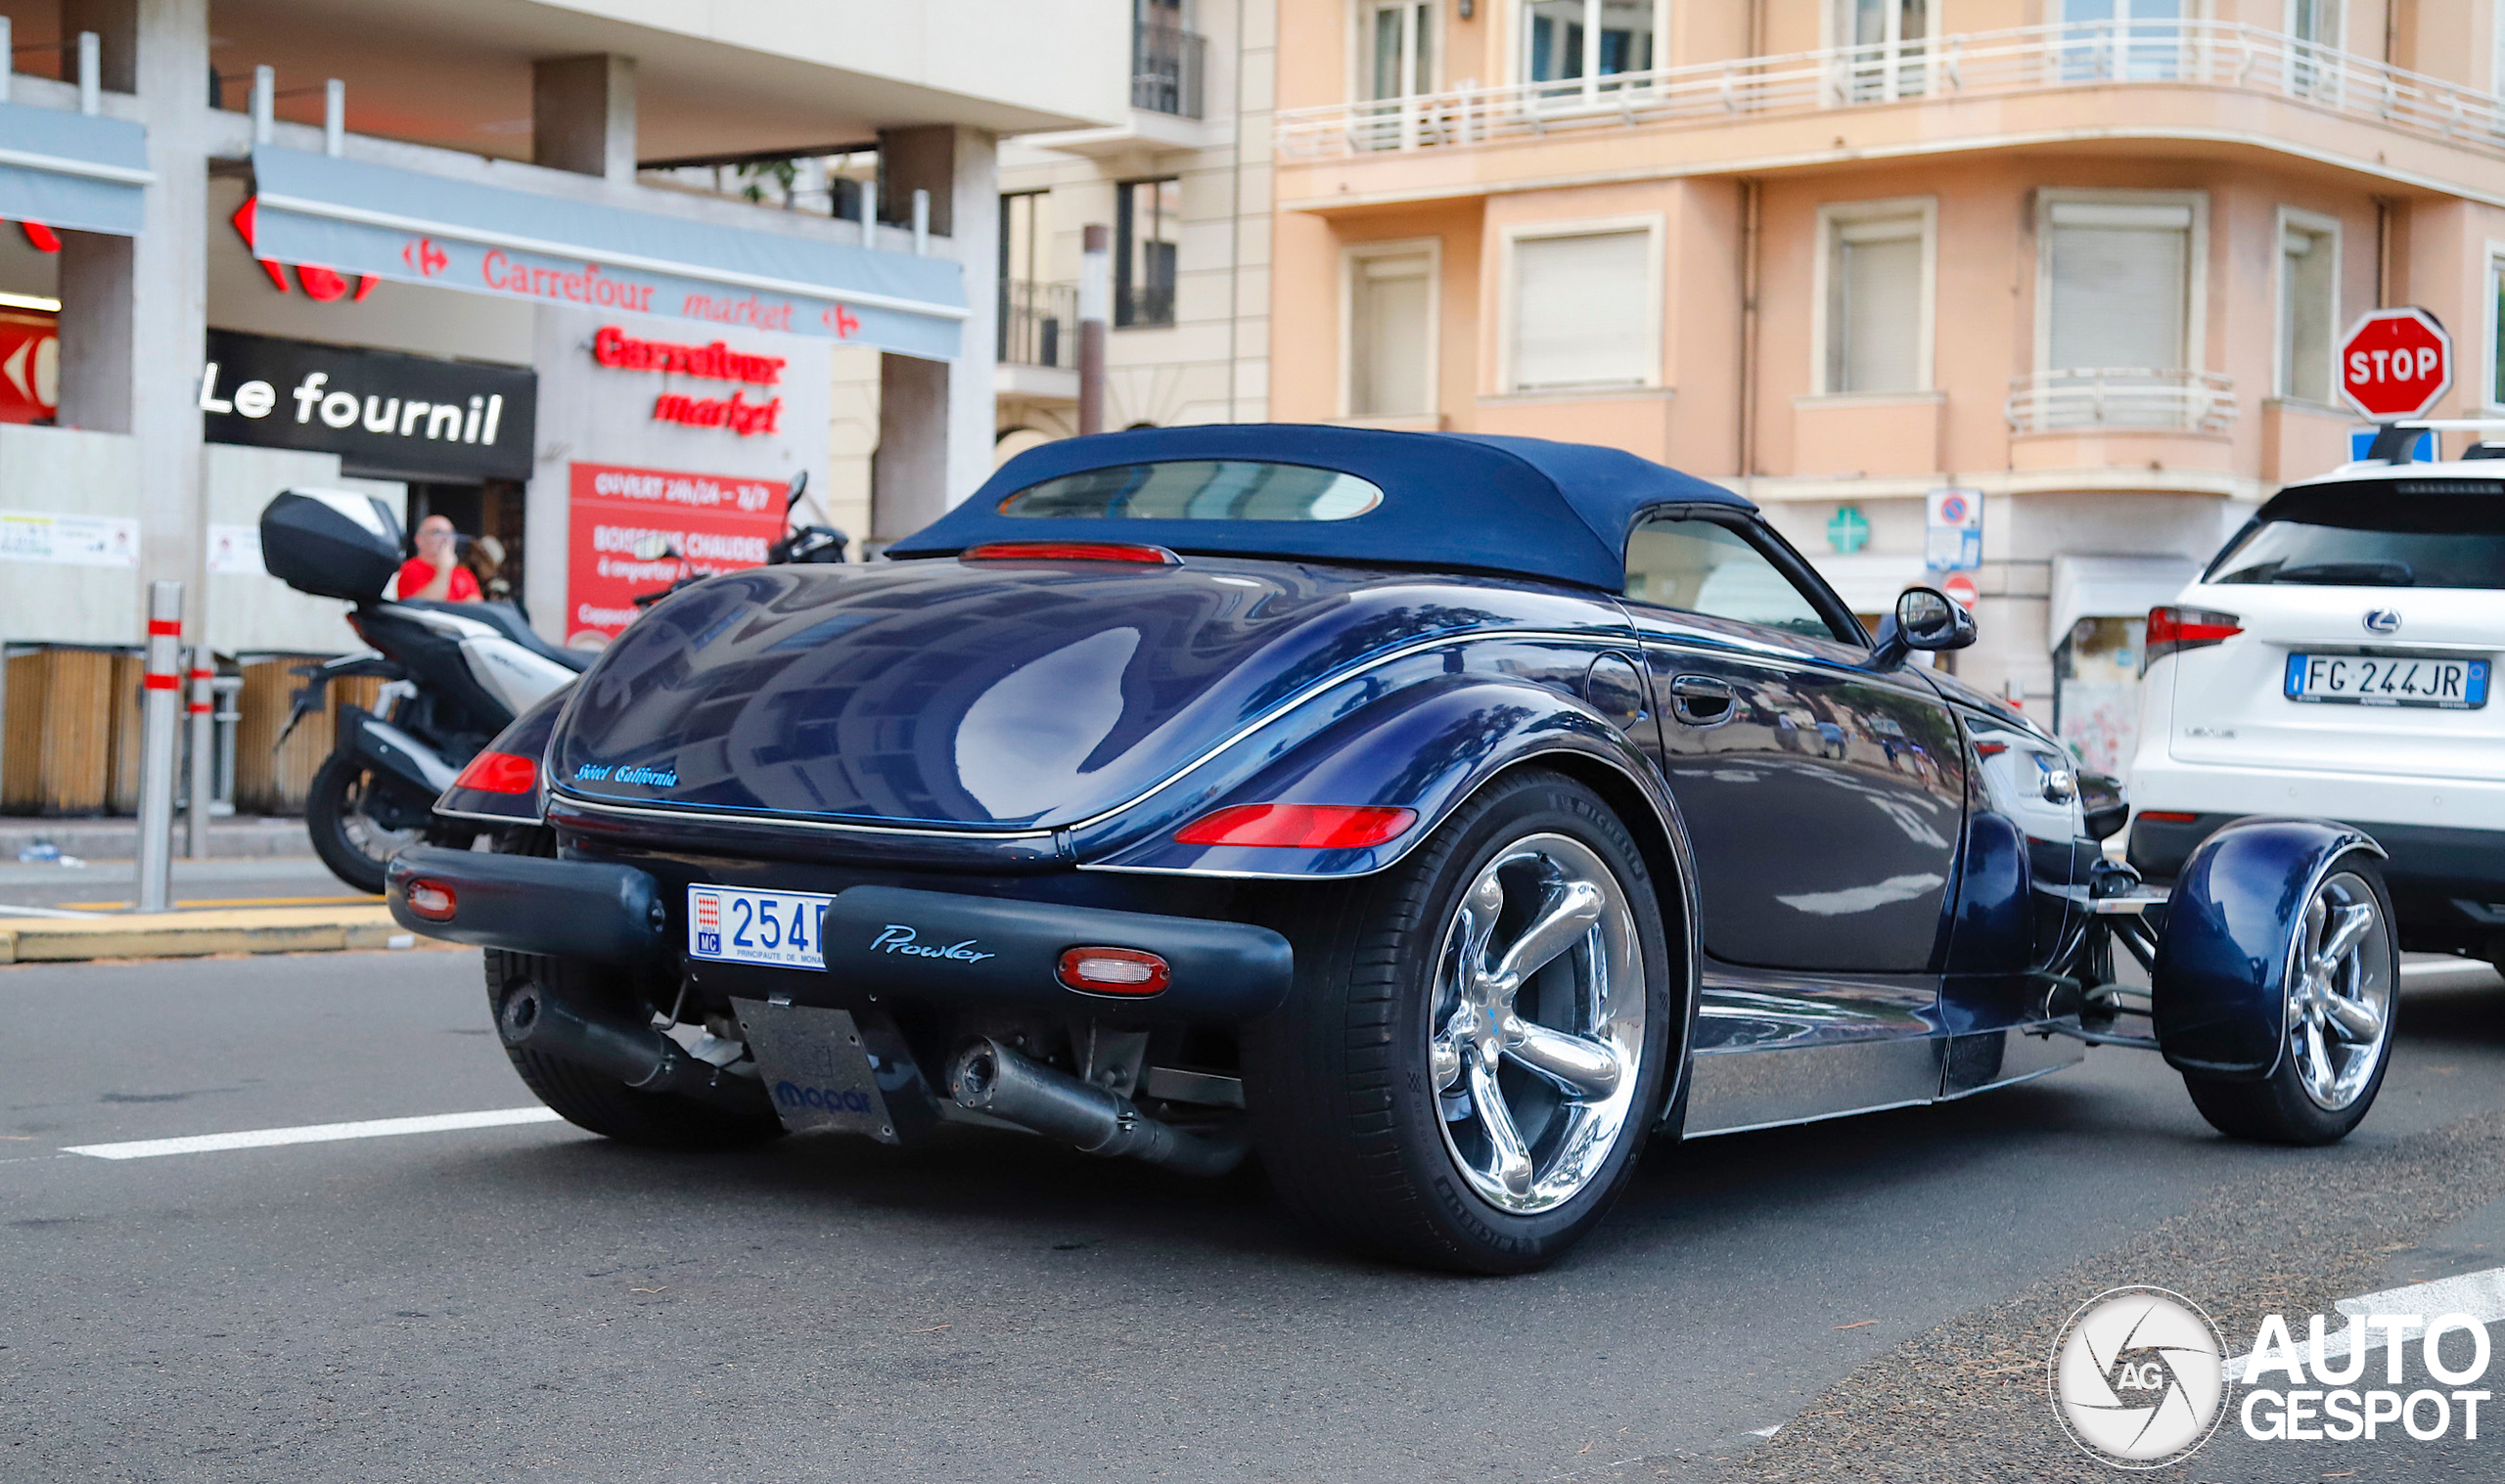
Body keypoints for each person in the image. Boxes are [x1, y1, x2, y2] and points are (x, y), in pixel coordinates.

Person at [396, 514, 481, 603]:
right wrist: (444, 570)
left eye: (450, 533)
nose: (445, 538)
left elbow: (475, 606)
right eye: (437, 532)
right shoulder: (411, 568)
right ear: (419, 539)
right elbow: (425, 605)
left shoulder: (464, 573)